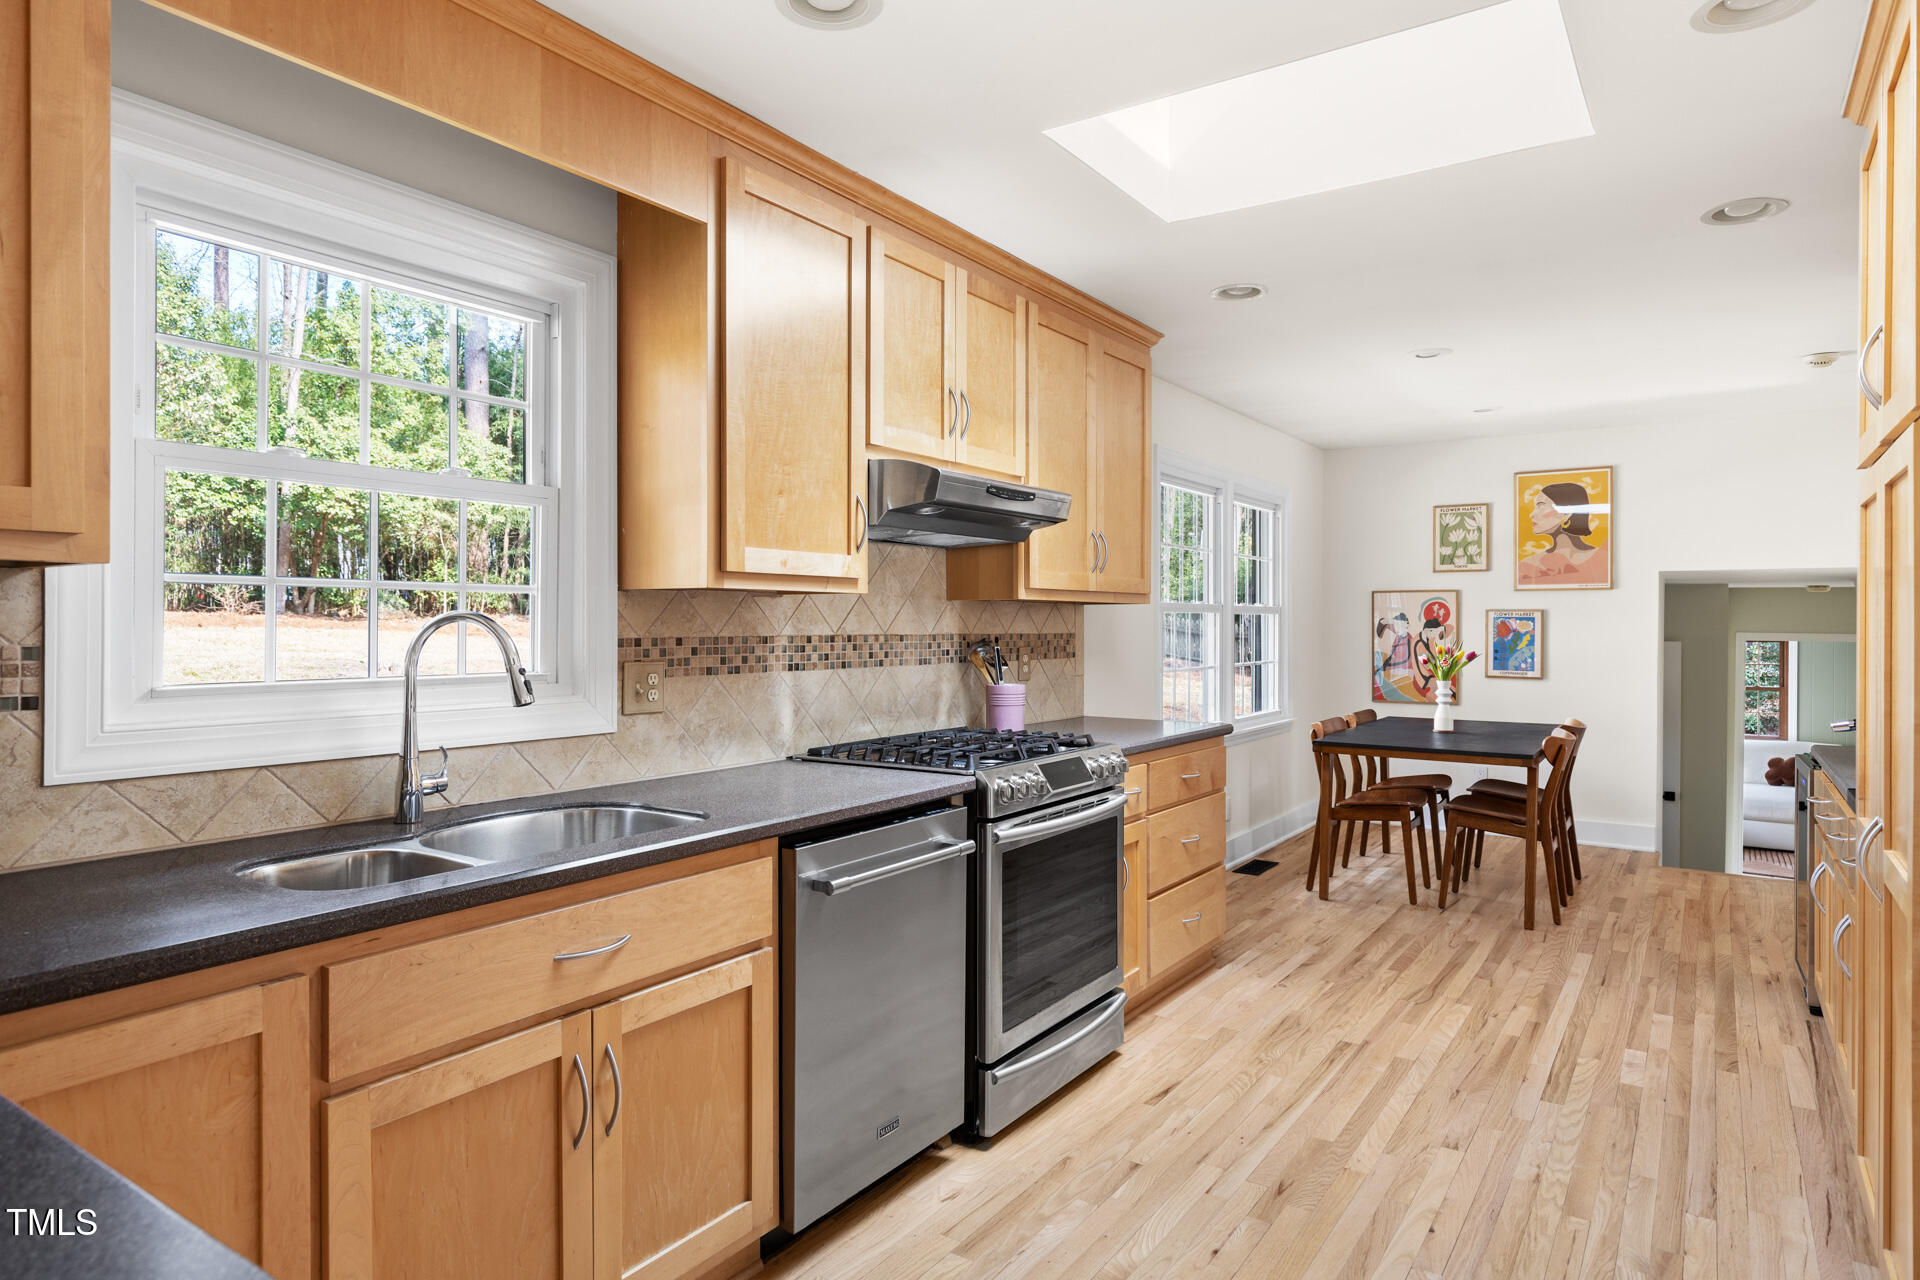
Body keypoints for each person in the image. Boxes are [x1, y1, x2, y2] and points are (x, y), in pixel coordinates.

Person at [1518, 481, 1608, 587]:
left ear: (1567, 513)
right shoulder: (1530, 564)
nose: (1531, 514)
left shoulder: (1603, 559)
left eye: (1541, 506)